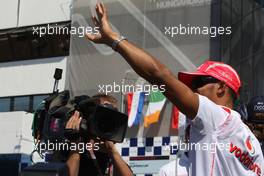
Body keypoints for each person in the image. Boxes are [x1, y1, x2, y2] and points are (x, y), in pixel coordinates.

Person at [85, 3, 264, 176]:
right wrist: (113, 153)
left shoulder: (216, 118)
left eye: (198, 83)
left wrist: (113, 40)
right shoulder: (252, 144)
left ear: (221, 88)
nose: (193, 90)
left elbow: (159, 75)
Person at [66, 94, 133, 176]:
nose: (107, 122)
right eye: (104, 116)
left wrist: (112, 151)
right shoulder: (69, 150)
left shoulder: (110, 155)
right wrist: (75, 147)